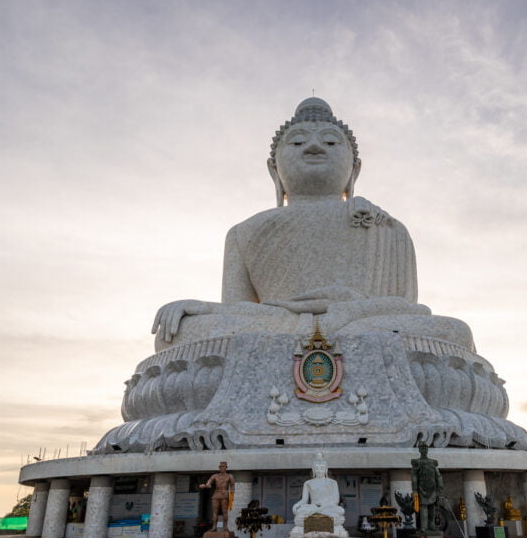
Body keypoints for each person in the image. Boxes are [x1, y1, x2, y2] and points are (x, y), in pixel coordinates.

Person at [151, 97, 473, 352]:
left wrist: (345, 314)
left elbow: (400, 310)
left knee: (454, 333)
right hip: (279, 327)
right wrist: (205, 311)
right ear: (274, 170)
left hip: (360, 325)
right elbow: (242, 315)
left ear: (354, 170)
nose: (314, 147)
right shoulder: (243, 233)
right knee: (177, 335)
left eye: (332, 143)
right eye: (297, 143)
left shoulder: (387, 228)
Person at [290, 452, 346, 536]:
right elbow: (304, 500)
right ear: (313, 470)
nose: (319, 471)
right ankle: (320, 514)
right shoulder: (308, 483)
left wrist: (322, 506)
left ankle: (317, 514)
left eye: (322, 468)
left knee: (341, 510)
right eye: (317, 469)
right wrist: (296, 506)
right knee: (300, 510)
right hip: (314, 507)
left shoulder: (332, 482)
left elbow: (335, 500)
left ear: (326, 469)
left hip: (327, 507)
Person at [411, 442, 443, 533]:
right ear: (419, 450)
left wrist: (440, 487)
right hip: (422, 488)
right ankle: (424, 527)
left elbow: (438, 475)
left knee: (432, 507)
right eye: (422, 448)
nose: (424, 450)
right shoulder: (416, 462)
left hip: (433, 488)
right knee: (423, 507)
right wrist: (414, 490)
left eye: (426, 448)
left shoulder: (433, 462)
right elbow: (414, 477)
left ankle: (431, 525)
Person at [199, 461, 235, 530]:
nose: (221, 468)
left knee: (225, 512)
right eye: (220, 467)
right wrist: (206, 485)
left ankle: (225, 526)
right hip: (216, 495)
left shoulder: (229, 476)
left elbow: (232, 486)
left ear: (226, 467)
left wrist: (231, 496)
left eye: (223, 466)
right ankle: (214, 526)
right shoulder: (215, 476)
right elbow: (209, 482)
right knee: (215, 512)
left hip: (225, 495)